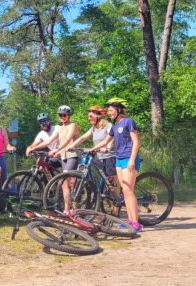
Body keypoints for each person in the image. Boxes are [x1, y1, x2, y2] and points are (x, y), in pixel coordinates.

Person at [87, 97, 142, 232]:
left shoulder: (128, 122)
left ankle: (136, 222)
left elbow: (136, 142)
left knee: (128, 190)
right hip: (119, 159)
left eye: (111, 110)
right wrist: (91, 149)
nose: (109, 112)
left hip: (129, 158)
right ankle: (129, 219)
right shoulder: (115, 125)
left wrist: (131, 160)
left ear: (118, 109)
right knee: (124, 191)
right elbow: (106, 141)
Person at [28, 106, 80, 213]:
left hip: (72, 155)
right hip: (64, 156)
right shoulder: (60, 128)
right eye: (60, 115)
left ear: (69, 115)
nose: (62, 117)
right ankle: (66, 209)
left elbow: (67, 140)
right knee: (65, 183)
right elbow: (48, 141)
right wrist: (32, 148)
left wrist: (56, 150)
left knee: (64, 180)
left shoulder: (72, 125)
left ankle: (73, 206)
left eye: (64, 115)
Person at [70, 105, 117, 180]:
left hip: (110, 157)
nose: (89, 119)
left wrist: (107, 148)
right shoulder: (93, 129)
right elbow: (83, 138)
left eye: (91, 116)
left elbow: (111, 138)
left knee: (112, 184)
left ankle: (119, 192)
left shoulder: (108, 126)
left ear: (98, 116)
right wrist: (71, 145)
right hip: (100, 158)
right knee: (105, 182)